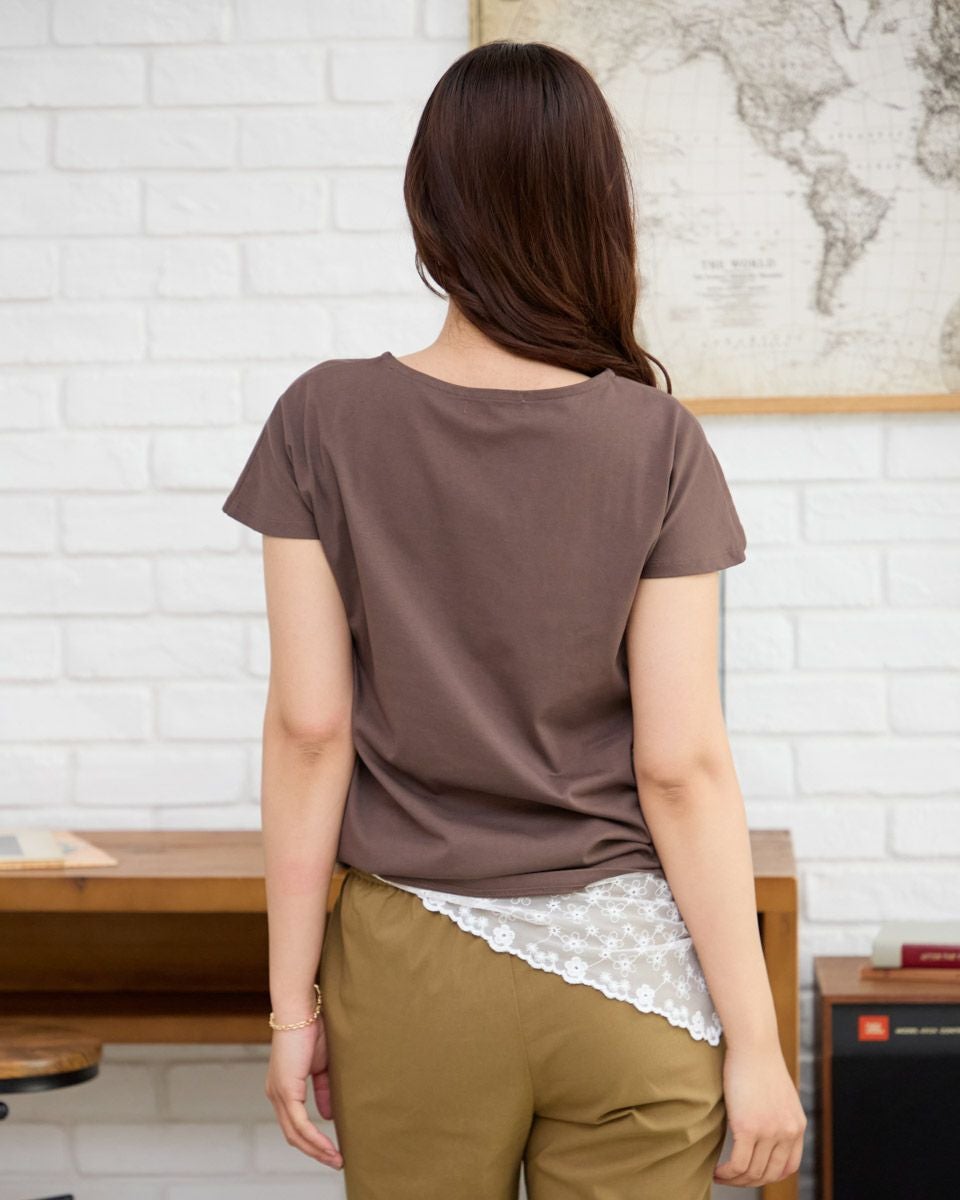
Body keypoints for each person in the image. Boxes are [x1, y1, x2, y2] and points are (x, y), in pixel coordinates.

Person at [222, 39, 806, 1200]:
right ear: (600, 211)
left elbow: (310, 731)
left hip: (411, 974)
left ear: (428, 207)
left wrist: (292, 1010)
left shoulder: (321, 419)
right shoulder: (658, 441)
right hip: (628, 981)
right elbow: (681, 765)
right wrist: (758, 1045)